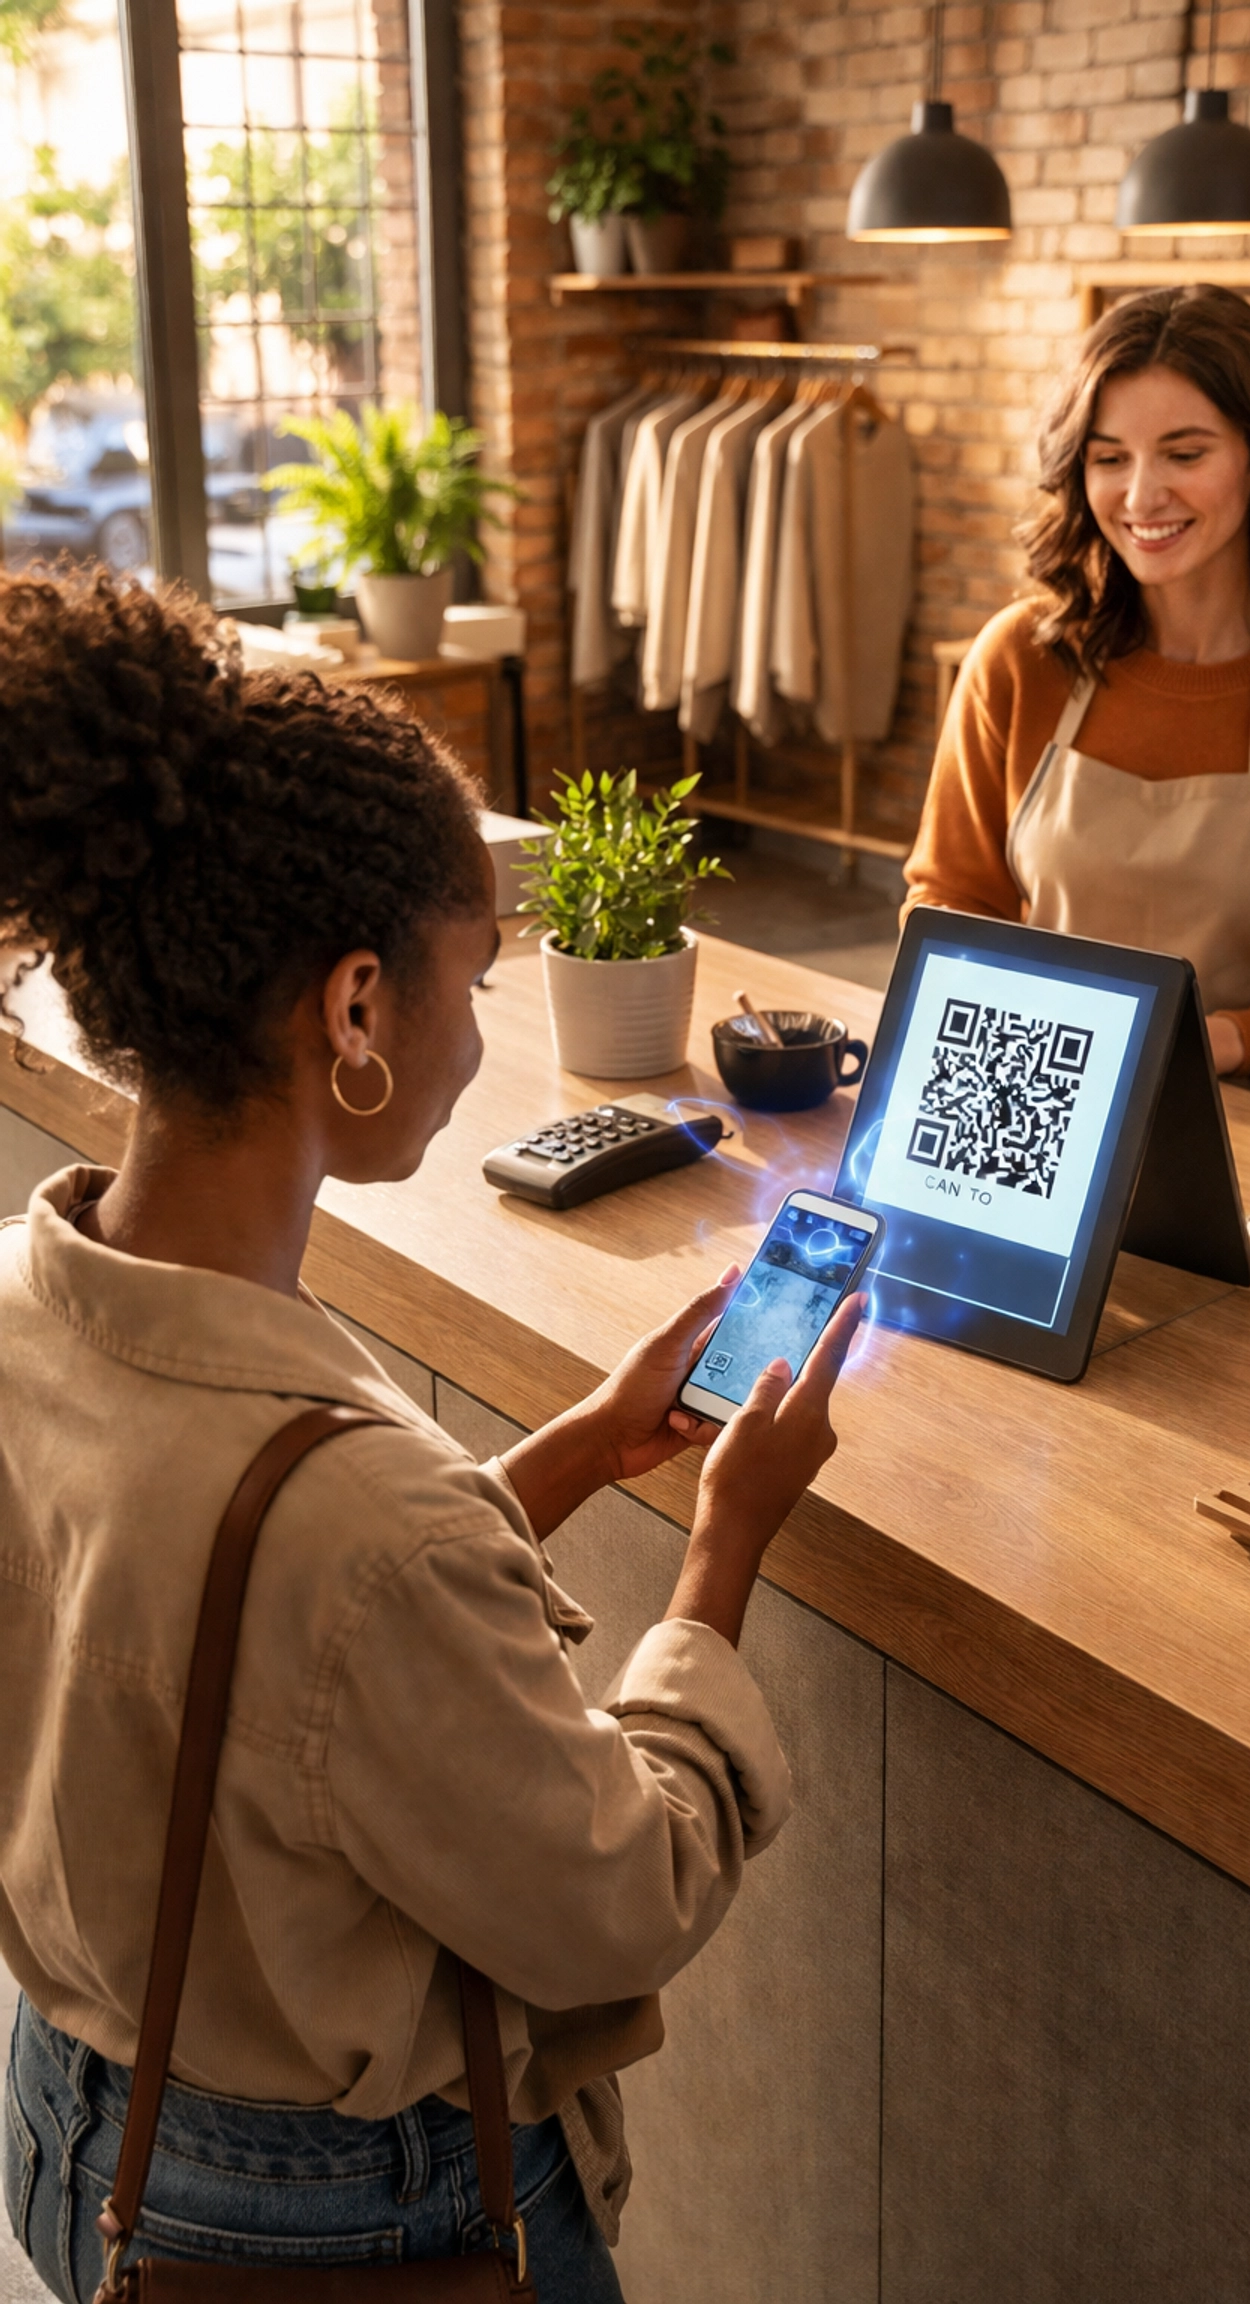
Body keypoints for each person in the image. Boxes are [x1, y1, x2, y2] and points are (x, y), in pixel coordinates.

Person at [0, 569, 864, 2304]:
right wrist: (723, 1548)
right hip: (344, 2223)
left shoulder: (30, 1304)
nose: (481, 1035)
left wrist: (574, 1452)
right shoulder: (358, 1518)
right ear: (356, 1008)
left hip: (75, 2130)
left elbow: (256, 1641)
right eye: (476, 976)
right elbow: (617, 1898)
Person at [906, 284, 1250, 1107]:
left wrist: (1218, 1041)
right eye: (1110, 458)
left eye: (1185, 455)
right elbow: (947, 907)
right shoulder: (1019, 662)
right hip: (1036, 1100)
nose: (1141, 496)